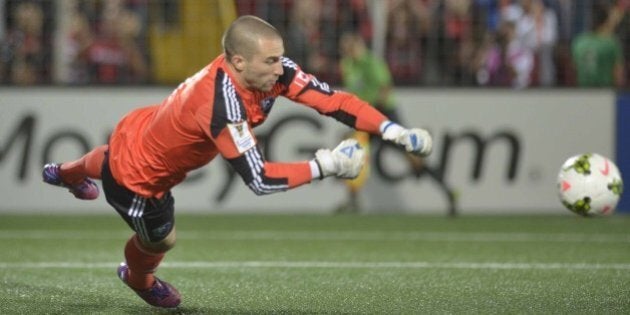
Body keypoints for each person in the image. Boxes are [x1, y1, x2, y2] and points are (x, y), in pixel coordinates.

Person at [41, 15, 432, 308]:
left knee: (110, 156)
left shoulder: (269, 70)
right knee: (161, 238)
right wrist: (326, 165)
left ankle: (66, 173)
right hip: (139, 179)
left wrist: (392, 131)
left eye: (281, 59)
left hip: (141, 129)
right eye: (271, 62)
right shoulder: (221, 106)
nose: (281, 70)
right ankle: (138, 278)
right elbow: (259, 179)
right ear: (239, 62)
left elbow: (333, 101)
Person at [336, 32, 425, 213]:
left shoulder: (371, 62)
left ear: (357, 45)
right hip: (365, 117)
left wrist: (376, 117)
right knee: (350, 150)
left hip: (384, 113)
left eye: (349, 46)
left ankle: (427, 173)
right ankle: (352, 200)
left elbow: (385, 88)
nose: (346, 50)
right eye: (344, 47)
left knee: (409, 152)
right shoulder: (347, 65)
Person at [571, 2, 627, 87]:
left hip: (582, 93)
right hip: (606, 93)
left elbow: (573, 72)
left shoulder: (578, 42)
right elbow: (618, 74)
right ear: (606, 22)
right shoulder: (611, 43)